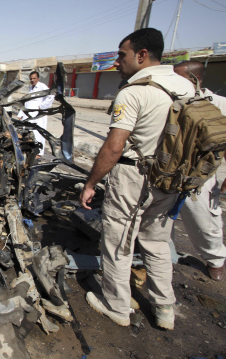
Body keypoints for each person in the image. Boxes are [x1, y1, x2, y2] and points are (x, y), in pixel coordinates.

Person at [79, 28, 195, 330]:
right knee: (157, 242)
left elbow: (114, 146)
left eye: (122, 55)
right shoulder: (186, 87)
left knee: (118, 242)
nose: (118, 62)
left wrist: (91, 184)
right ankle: (164, 309)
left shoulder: (133, 91)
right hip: (171, 177)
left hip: (135, 177)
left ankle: (117, 306)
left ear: (141, 55)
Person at [172, 61, 226, 282]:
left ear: (195, 79)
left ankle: (215, 260)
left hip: (200, 174)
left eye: (179, 77)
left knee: (202, 219)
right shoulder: (172, 100)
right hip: (166, 171)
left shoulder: (218, 104)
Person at [17, 71, 54, 157]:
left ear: (38, 78)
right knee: (29, 133)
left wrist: (42, 106)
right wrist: (20, 114)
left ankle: (39, 153)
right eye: (31, 78)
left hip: (38, 116)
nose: (32, 80)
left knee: (38, 133)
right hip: (29, 115)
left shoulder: (42, 86)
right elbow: (26, 102)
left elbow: (51, 96)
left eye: (34, 78)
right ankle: (30, 151)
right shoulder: (31, 88)